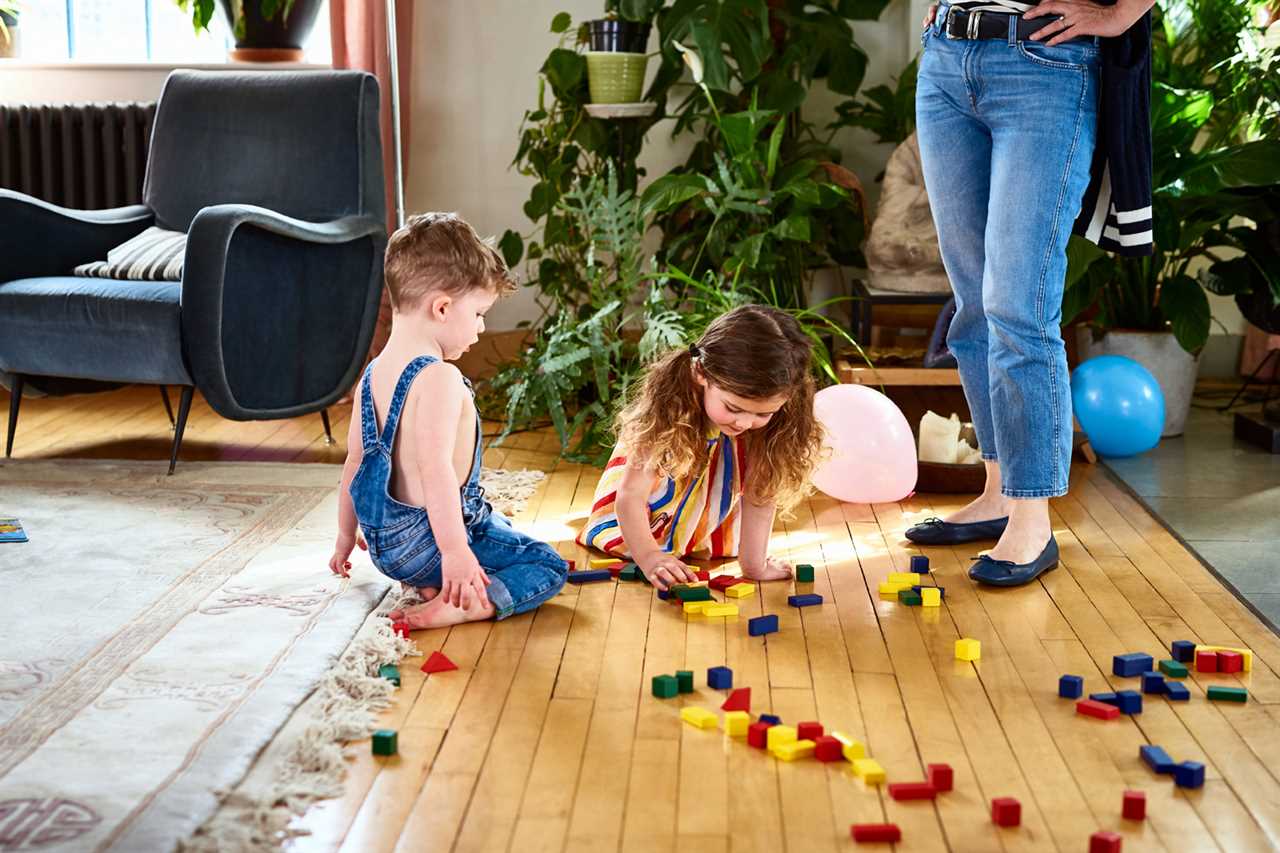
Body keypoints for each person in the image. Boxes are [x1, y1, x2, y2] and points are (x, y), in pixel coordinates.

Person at [909, 0, 1155, 585]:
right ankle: (997, 493)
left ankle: (1032, 520)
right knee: (974, 306)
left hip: (1046, 65)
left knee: (1019, 304)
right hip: (946, 60)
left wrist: (1121, 14)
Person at [329, 213, 568, 626]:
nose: (481, 327)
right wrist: (456, 553)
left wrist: (345, 537)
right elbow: (434, 470)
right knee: (546, 564)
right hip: (432, 546)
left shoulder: (371, 375)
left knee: (502, 525)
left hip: (388, 550)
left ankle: (430, 584)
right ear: (442, 307)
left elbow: (354, 464)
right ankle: (463, 603)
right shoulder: (438, 377)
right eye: (478, 313)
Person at [578, 305, 823, 591]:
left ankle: (688, 536)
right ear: (700, 373)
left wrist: (754, 566)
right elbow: (631, 496)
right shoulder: (668, 410)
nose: (745, 422)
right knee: (638, 534)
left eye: (762, 414)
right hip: (642, 512)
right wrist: (650, 557)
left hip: (704, 513)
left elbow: (761, 493)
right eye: (733, 407)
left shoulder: (770, 426)